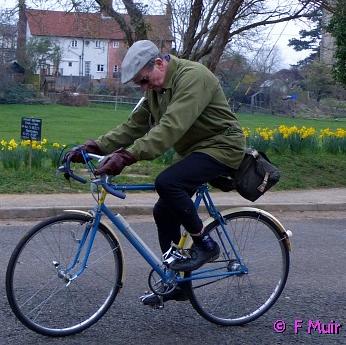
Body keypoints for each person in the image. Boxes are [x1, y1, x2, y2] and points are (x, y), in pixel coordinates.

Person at [67, 40, 245, 305]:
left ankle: (206, 245)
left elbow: (171, 127)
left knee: (167, 182)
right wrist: (94, 146)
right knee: (163, 211)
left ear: (159, 63)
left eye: (144, 80)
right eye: (140, 84)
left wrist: (127, 156)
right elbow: (133, 126)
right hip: (194, 151)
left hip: (222, 147)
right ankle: (179, 282)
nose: (143, 87)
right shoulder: (155, 90)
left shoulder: (193, 77)